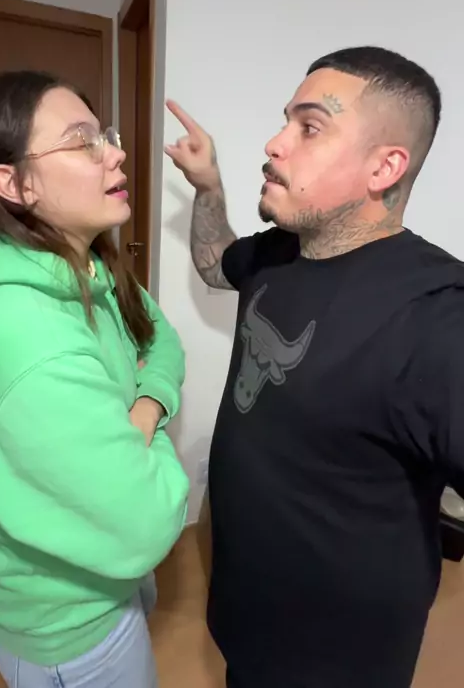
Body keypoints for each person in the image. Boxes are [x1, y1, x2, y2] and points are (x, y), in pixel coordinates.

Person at [165, 45, 464, 688]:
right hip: (245, 617)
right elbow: (216, 266)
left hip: (336, 661)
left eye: (310, 127)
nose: (275, 143)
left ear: (384, 167)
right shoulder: (282, 249)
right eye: (286, 121)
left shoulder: (438, 315)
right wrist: (208, 187)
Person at [0, 70, 189, 688]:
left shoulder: (92, 267)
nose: (116, 153)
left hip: (108, 569)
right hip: (71, 622)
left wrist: (144, 411)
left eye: (106, 135)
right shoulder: (33, 341)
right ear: (13, 184)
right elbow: (148, 519)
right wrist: (141, 442)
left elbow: (163, 340)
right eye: (83, 141)